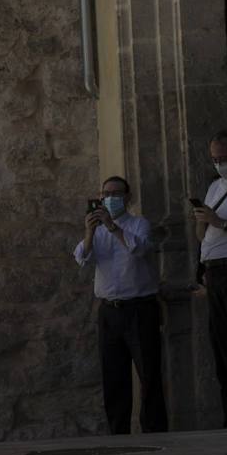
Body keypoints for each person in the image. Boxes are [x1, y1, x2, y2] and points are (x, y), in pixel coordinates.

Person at [73, 175, 167, 434]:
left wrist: (113, 228)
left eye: (116, 194)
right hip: (110, 312)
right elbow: (82, 258)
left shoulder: (139, 225)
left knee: (148, 374)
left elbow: (139, 249)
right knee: (114, 376)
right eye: (105, 194)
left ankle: (155, 432)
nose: (110, 199)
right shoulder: (98, 231)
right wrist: (90, 231)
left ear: (128, 197)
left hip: (139, 308)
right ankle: (118, 433)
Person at [193, 129, 227, 427]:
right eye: (215, 159)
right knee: (222, 349)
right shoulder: (214, 188)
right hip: (215, 272)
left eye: (225, 158)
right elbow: (203, 235)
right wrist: (203, 221)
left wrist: (218, 221)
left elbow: (220, 226)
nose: (219, 163)